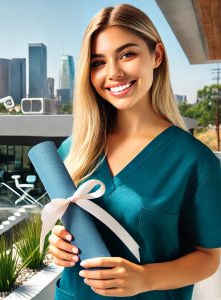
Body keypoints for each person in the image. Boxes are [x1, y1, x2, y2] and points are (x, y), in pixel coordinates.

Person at [48, 3, 221, 300]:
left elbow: (209, 257)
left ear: (156, 55)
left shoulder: (196, 163)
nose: (113, 73)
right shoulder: (71, 150)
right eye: (98, 62)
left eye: (127, 54)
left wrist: (146, 278)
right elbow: (72, 228)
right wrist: (58, 244)